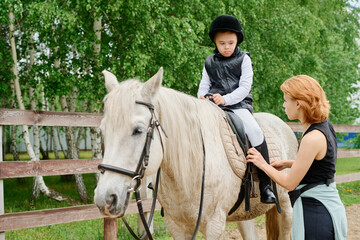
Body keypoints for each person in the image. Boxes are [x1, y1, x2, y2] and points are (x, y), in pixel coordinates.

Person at [246, 75, 347, 239]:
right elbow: (320, 165)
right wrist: (287, 163)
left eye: (286, 100)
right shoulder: (325, 127)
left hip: (316, 213)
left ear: (298, 103)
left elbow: (290, 183)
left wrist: (262, 164)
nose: (284, 105)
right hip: (326, 209)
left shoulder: (312, 137)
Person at [197, 14, 276, 204]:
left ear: (237, 41)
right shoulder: (209, 61)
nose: (226, 46)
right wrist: (200, 98)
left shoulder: (244, 59)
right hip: (213, 105)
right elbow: (203, 85)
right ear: (215, 42)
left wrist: (225, 99)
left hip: (238, 105)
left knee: (255, 132)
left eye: (230, 42)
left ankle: (266, 184)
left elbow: (244, 88)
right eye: (222, 43)